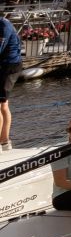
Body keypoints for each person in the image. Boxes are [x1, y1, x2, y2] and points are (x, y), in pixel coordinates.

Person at [0, 13, 19, 149]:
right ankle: (4, 142)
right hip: (3, 65)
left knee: (2, 105)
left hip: (9, 66)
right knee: (2, 105)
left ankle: (4, 142)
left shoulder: (3, 25)